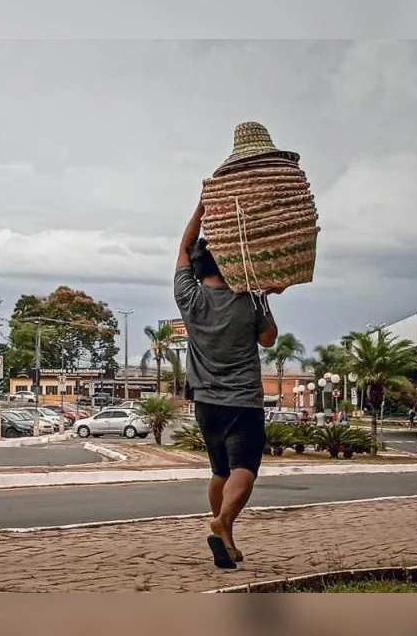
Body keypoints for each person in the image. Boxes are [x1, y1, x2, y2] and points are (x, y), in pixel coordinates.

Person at [174, 202, 279, 570]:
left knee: (220, 470)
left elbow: (183, 248)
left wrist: (201, 210)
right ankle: (222, 522)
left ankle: (227, 539)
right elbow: (268, 339)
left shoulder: (188, 297)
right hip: (243, 402)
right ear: (232, 266)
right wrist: (262, 295)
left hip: (205, 402)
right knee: (244, 469)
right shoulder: (248, 299)